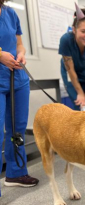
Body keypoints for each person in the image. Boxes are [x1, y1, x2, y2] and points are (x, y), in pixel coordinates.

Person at [0, 0, 39, 194]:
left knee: (18, 129)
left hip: (17, 77)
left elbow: (19, 44)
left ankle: (15, 173)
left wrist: (21, 54)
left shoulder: (10, 13)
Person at [59, 5, 85, 111]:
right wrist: (80, 93)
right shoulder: (66, 40)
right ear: (74, 30)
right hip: (70, 74)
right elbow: (71, 70)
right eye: (83, 31)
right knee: (80, 104)